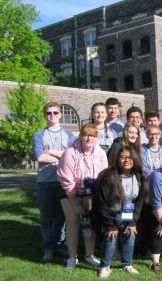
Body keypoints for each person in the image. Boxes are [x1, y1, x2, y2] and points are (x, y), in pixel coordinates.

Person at [57, 123, 108, 269]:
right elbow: (67, 182)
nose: (89, 138)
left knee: (90, 220)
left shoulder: (100, 153)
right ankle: (72, 257)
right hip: (69, 191)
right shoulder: (70, 152)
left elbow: (103, 176)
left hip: (90, 191)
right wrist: (76, 204)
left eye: (93, 136)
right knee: (73, 220)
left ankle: (89, 255)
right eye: (86, 135)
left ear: (96, 138)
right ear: (80, 136)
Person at [94, 145, 148, 278]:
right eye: (123, 157)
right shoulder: (108, 176)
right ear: (117, 159)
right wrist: (110, 224)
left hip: (128, 213)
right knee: (111, 234)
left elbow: (139, 202)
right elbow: (102, 204)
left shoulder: (139, 176)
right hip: (109, 214)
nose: (126, 160)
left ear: (134, 159)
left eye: (130, 157)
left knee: (131, 232)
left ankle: (127, 265)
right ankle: (104, 267)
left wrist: (133, 221)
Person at [33, 102, 76, 261]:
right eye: (49, 113)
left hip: (64, 181)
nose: (52, 115)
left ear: (60, 114)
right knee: (46, 216)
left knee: (61, 216)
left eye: (55, 113)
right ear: (45, 115)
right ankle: (48, 247)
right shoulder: (39, 135)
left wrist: (50, 151)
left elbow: (72, 155)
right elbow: (40, 157)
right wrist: (62, 155)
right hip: (45, 181)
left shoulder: (69, 135)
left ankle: (59, 244)